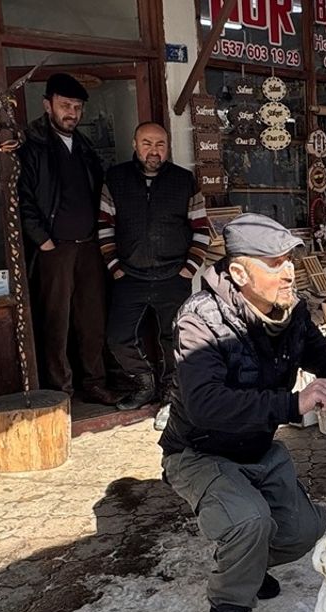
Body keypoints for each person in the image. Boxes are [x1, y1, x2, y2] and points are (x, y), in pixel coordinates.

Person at [159, 213, 326, 612]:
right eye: (275, 262)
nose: (288, 272)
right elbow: (206, 406)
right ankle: (228, 611)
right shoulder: (199, 322)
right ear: (240, 272)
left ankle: (249, 564)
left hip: (257, 448)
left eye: (290, 262)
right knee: (249, 522)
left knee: (305, 530)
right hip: (200, 450)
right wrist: (292, 404)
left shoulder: (291, 310)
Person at [17, 73, 120, 405]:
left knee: (92, 319)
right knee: (55, 323)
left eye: (77, 107)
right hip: (54, 249)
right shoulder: (32, 147)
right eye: (65, 105)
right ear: (48, 105)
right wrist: (42, 240)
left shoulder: (85, 147)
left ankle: (94, 382)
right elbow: (22, 199)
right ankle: (60, 391)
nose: (71, 113)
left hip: (89, 246)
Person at [98, 122, 211, 416]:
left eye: (160, 144)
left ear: (168, 147)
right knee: (117, 337)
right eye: (147, 143)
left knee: (176, 338)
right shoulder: (116, 178)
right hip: (129, 276)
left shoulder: (184, 181)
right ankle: (144, 384)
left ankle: (171, 394)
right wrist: (114, 267)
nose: (154, 150)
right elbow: (104, 226)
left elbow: (201, 228)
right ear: (135, 144)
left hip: (174, 275)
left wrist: (188, 269)